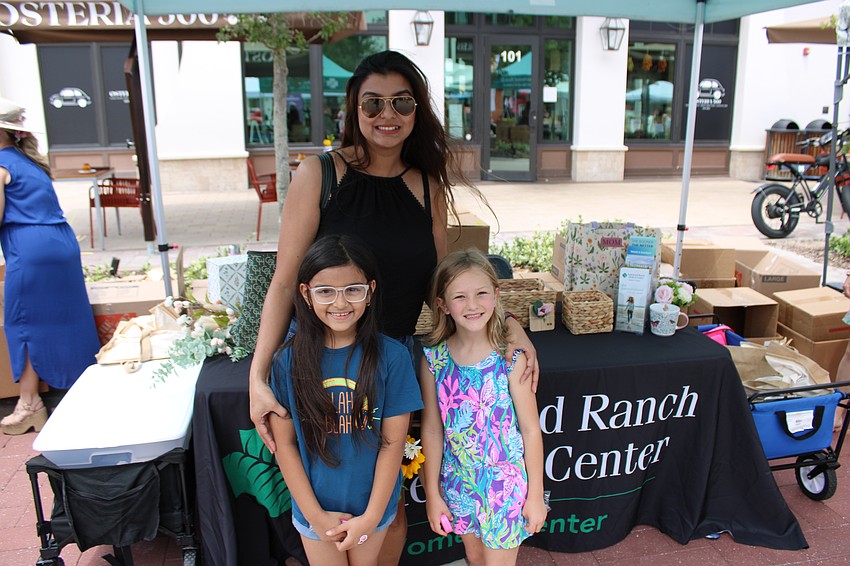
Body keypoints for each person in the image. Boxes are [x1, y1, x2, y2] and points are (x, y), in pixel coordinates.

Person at [248, 49, 538, 563]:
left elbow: (446, 285)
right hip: (328, 357)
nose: (388, 115)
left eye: (401, 102)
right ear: (353, 111)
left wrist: (508, 324)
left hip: (396, 359)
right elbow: (284, 284)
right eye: (373, 103)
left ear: (417, 110)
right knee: (337, 489)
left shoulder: (428, 185)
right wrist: (258, 376)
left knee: (392, 506)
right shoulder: (319, 174)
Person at [269, 234, 423, 565]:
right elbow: (285, 445)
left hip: (372, 506)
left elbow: (391, 444)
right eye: (326, 291)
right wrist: (317, 517)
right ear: (306, 294)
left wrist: (370, 516)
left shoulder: (392, 358)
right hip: (315, 509)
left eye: (353, 289)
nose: (340, 303)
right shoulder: (287, 362)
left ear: (370, 291)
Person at [419, 250, 547, 566]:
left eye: (481, 294)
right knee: (475, 560)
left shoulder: (511, 359)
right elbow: (433, 430)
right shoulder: (433, 360)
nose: (473, 305)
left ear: (496, 295)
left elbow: (531, 430)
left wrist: (535, 496)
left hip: (504, 488)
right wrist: (433, 495)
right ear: (442, 304)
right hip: (458, 482)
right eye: (460, 297)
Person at [0, 98, 100, 435]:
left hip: (30, 250)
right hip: (59, 244)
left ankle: (29, 404)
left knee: (22, 322)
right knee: (69, 319)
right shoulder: (28, 162)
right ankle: (86, 392)